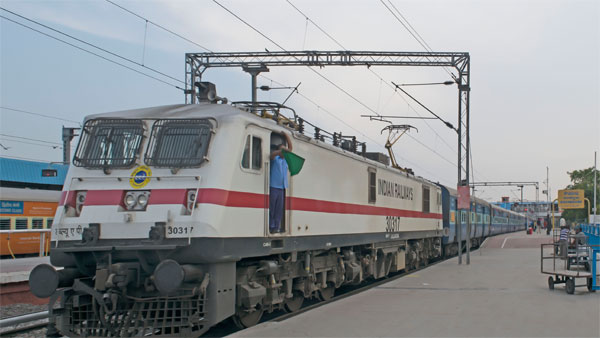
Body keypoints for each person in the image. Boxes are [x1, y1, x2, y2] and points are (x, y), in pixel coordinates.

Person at [269, 132, 292, 233]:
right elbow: (272, 155)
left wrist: (286, 135)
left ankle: (276, 227)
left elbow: (290, 148)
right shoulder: (275, 158)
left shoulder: (285, 160)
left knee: (279, 209)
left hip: (282, 188)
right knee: (272, 208)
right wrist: (280, 151)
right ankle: (271, 225)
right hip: (273, 186)